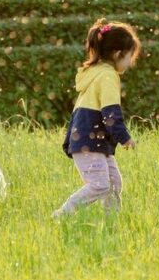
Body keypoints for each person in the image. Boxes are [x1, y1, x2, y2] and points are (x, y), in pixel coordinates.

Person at [54, 19, 140, 218]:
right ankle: (63, 213)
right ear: (119, 54)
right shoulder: (108, 76)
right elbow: (111, 114)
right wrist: (124, 137)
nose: (131, 62)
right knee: (100, 185)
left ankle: (111, 222)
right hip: (89, 140)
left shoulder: (95, 72)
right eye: (130, 57)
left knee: (114, 183)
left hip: (93, 140)